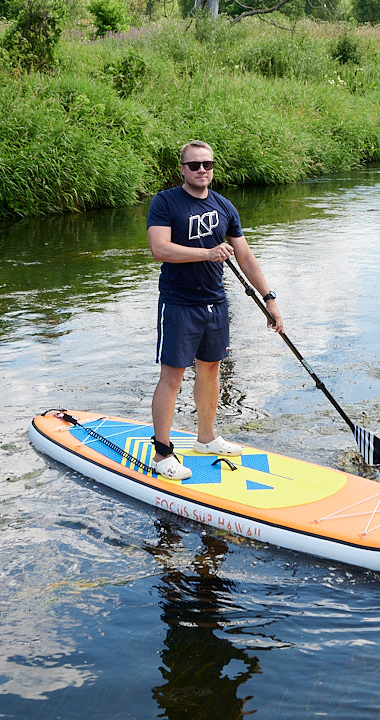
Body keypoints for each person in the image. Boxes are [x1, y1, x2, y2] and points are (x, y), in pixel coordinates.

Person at [147, 140, 284, 480]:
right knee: (173, 376)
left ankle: (206, 438)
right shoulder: (165, 202)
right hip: (179, 303)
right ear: (182, 169)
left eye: (207, 164)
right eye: (194, 165)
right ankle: (162, 453)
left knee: (211, 370)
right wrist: (207, 253)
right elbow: (159, 249)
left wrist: (269, 298)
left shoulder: (224, 207)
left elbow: (246, 256)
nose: (201, 170)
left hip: (215, 303)